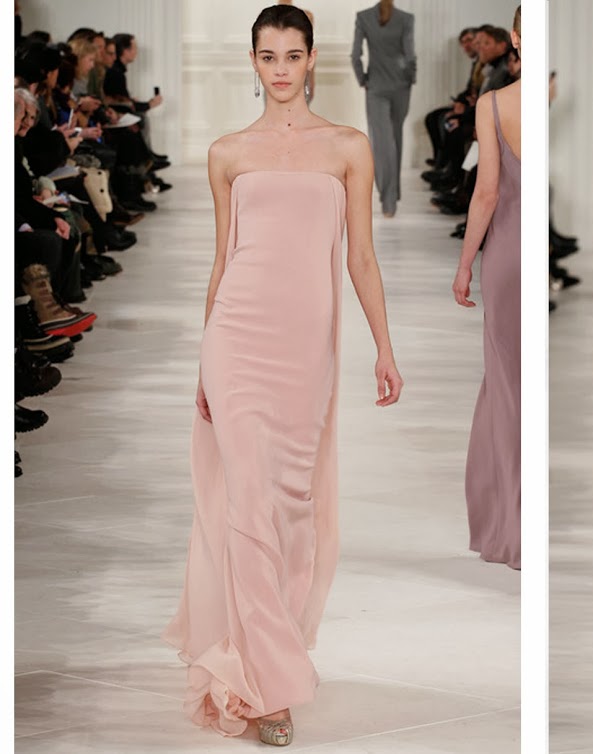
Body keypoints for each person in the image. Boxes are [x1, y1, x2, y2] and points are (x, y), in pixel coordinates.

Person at [162, 5, 404, 746]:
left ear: (312, 59)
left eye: (292, 56)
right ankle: (266, 689)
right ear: (253, 61)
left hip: (305, 350)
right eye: (268, 56)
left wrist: (384, 348)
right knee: (246, 503)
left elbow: (360, 257)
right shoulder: (228, 153)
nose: (280, 70)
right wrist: (204, 358)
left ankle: (272, 647)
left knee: (292, 508)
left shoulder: (348, 147)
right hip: (236, 340)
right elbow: (222, 260)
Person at [453, 6, 522, 570]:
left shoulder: (495, 104)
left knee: (506, 387)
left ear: (515, 36)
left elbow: (487, 192)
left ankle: (510, 528)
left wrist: (464, 264)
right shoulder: (546, 101)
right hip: (534, 250)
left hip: (505, 256)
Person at [351, 0, 417, 217]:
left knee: (382, 144)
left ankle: (388, 199)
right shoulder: (406, 19)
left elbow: (355, 55)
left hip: (376, 86)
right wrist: (410, 78)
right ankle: (392, 194)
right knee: (395, 139)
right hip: (400, 86)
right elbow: (410, 55)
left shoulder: (364, 17)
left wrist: (363, 79)